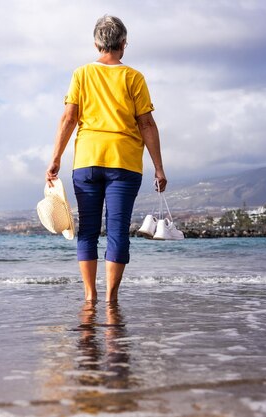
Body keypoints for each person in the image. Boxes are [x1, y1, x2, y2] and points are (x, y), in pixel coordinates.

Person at [46, 15, 166, 302]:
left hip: (87, 160)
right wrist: (159, 169)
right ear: (123, 44)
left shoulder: (82, 74)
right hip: (124, 163)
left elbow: (69, 118)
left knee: (87, 230)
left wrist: (56, 158)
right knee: (117, 231)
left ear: (97, 44)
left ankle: (90, 296)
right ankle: (111, 299)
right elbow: (146, 124)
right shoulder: (133, 77)